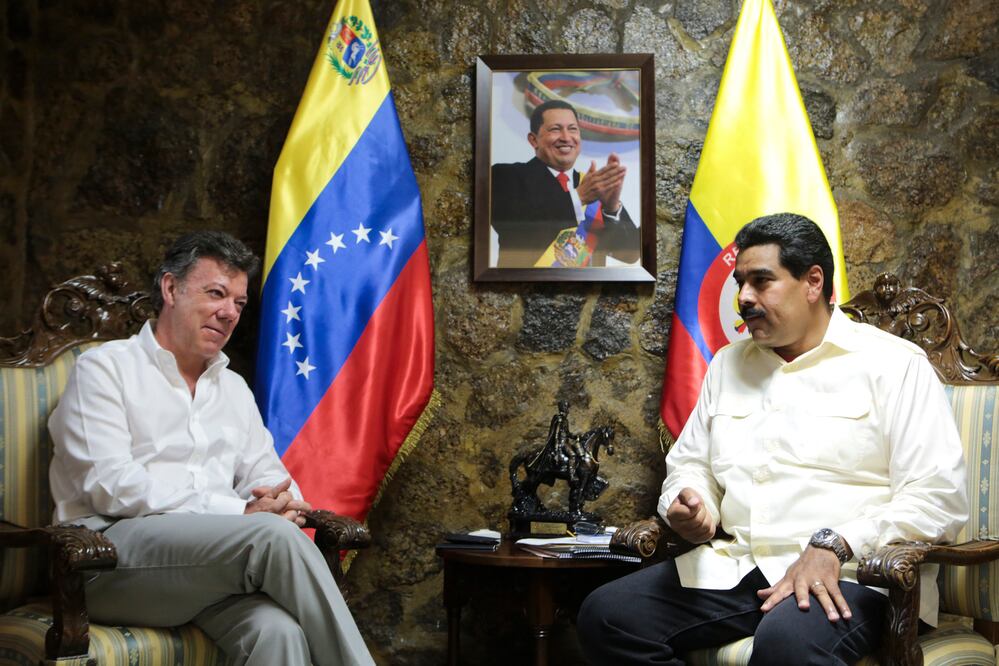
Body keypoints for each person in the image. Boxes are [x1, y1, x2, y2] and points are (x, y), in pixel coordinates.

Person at [576, 213, 968, 665]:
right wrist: (692, 503)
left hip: (857, 577)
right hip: (741, 565)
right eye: (740, 282)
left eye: (762, 281)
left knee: (787, 642)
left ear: (813, 282)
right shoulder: (727, 364)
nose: (743, 297)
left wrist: (836, 543)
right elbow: (692, 465)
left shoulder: (895, 365)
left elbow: (939, 497)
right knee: (606, 615)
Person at [48, 231, 374, 666]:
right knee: (270, 538)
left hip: (204, 569)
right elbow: (111, 485)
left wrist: (279, 502)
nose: (228, 313)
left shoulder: (232, 387)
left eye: (238, 303)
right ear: (170, 289)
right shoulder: (105, 369)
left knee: (277, 633)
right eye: (216, 294)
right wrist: (239, 514)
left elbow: (268, 473)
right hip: (105, 560)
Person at [490, 99, 640, 268]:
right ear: (534, 140)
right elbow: (519, 230)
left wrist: (611, 208)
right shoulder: (505, 176)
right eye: (555, 129)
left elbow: (630, 254)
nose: (566, 137)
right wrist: (578, 198)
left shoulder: (592, 185)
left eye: (573, 129)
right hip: (526, 291)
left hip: (586, 293)